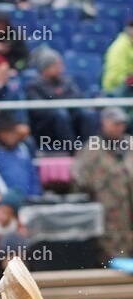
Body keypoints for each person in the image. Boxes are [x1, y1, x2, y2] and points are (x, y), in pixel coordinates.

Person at [73, 106, 133, 261]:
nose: (120, 128)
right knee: (109, 246)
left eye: (122, 124)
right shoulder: (93, 147)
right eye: (115, 124)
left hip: (129, 206)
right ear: (105, 123)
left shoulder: (130, 143)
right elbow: (79, 176)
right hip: (105, 207)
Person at [25, 49, 96, 150]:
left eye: (61, 65)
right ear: (45, 68)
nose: (60, 68)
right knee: (60, 114)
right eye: (56, 65)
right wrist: (59, 101)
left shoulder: (66, 82)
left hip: (68, 120)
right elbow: (39, 110)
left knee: (85, 114)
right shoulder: (34, 85)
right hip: (46, 126)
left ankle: (89, 149)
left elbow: (78, 98)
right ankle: (72, 150)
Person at [0, 114, 41, 200]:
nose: (12, 135)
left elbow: (33, 177)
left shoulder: (23, 149)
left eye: (13, 131)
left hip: (27, 201)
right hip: (0, 203)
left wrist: (35, 197)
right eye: (8, 132)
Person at [0, 7, 27, 71]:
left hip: (13, 69)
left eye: (2, 25)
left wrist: (16, 68)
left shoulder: (16, 36)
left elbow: (23, 59)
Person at [102, 17, 133, 96]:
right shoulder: (120, 47)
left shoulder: (130, 45)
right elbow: (115, 77)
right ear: (130, 30)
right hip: (116, 89)